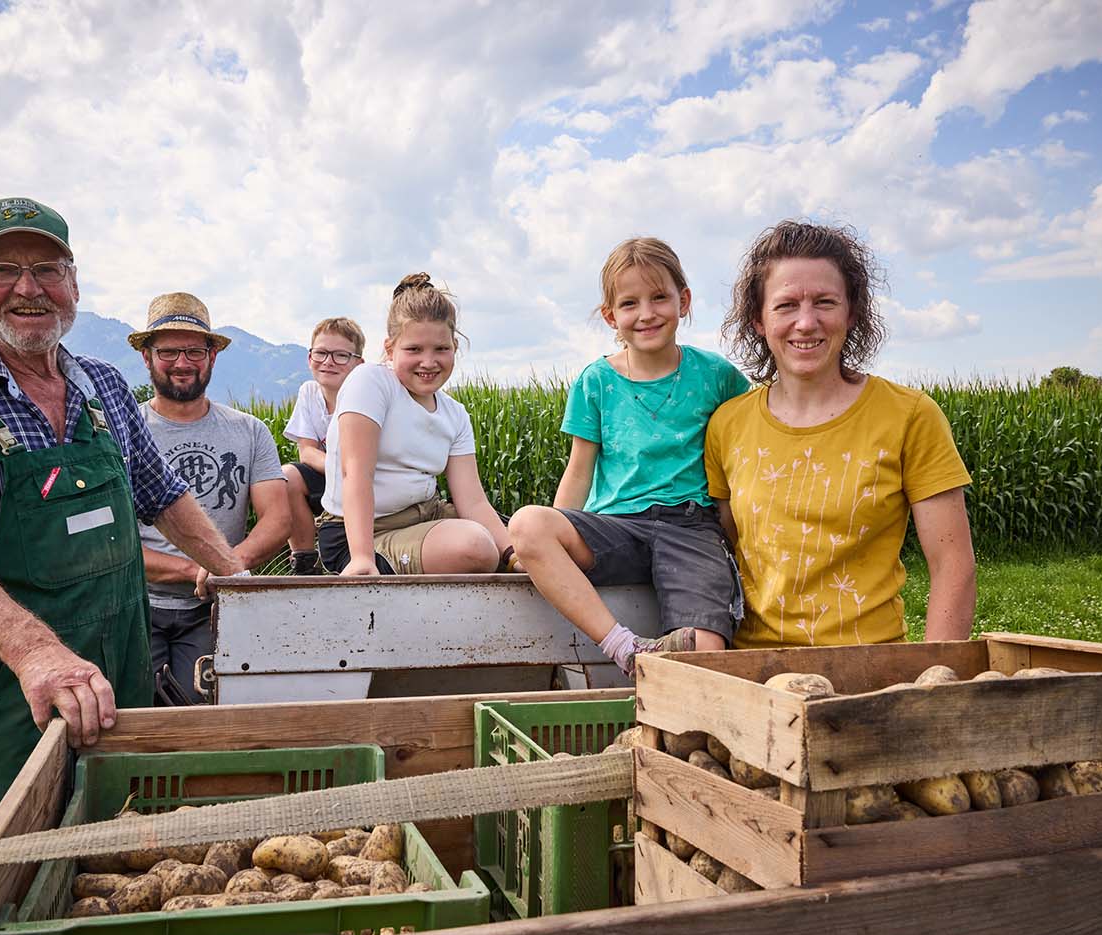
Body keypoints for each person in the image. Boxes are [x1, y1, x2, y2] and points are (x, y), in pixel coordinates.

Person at [0, 197, 246, 848]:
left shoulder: (104, 387)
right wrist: (38, 652)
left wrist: (237, 576)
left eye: (47, 268)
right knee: (19, 857)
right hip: (9, 683)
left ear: (73, 284)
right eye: (3, 269)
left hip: (124, 665)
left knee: (128, 839)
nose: (28, 288)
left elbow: (162, 494)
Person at [707, 220, 975, 648]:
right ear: (758, 319)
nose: (806, 322)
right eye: (786, 305)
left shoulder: (909, 415)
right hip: (752, 669)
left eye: (825, 302)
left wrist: (933, 678)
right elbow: (726, 548)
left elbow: (953, 564)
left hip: (872, 668)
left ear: (852, 313)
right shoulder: (727, 425)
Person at [508, 237, 752, 674]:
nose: (646, 314)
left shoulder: (717, 376)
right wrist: (546, 544)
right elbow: (579, 472)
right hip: (616, 526)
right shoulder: (596, 381)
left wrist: (738, 540)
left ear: (685, 300)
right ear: (611, 316)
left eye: (660, 297)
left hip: (691, 526)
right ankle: (626, 647)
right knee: (527, 523)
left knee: (704, 649)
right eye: (629, 303)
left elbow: (743, 458)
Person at [130, 292, 290, 703]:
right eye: (168, 351)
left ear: (212, 357)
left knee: (198, 707)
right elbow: (111, 541)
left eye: (195, 351)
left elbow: (277, 520)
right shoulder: (122, 432)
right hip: (135, 606)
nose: (182, 363)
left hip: (214, 606)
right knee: (135, 710)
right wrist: (193, 568)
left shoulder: (250, 431)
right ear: (146, 357)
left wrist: (228, 567)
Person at [318, 273, 511, 576]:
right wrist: (362, 558)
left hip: (425, 519)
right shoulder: (371, 383)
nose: (429, 362)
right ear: (390, 348)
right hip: (361, 533)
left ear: (455, 348)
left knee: (529, 538)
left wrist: (515, 554)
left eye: (441, 349)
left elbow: (472, 500)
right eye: (414, 350)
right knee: (475, 548)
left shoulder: (454, 413)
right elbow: (356, 473)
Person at [280, 317, 366, 575]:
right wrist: (339, 470)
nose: (328, 362)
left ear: (358, 364)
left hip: (366, 480)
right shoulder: (309, 392)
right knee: (285, 478)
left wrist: (352, 474)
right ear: (309, 358)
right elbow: (306, 451)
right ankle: (305, 561)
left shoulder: (366, 394)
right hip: (330, 474)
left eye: (341, 355)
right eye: (321, 353)